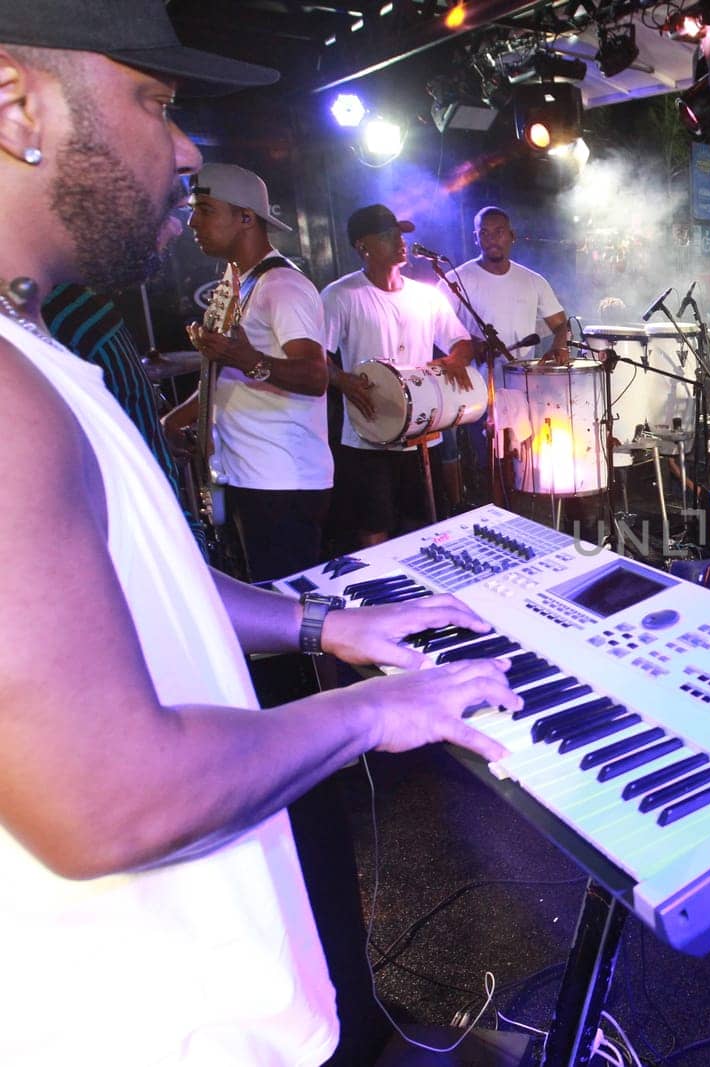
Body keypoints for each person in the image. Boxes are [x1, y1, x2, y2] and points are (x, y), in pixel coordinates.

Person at [0, 11, 518, 1065]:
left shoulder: (28, 350)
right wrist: (378, 710)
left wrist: (326, 625)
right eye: (154, 100)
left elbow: (144, 579)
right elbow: (113, 796)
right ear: (18, 106)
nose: (186, 151)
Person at [166, 162, 332, 581]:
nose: (191, 222)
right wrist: (176, 420)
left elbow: (315, 376)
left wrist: (245, 358)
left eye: (204, 210)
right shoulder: (238, 281)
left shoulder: (283, 287)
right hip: (248, 475)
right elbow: (227, 382)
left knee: (290, 610)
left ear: (245, 218)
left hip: (282, 481)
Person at [324, 203, 476, 547]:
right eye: (388, 236)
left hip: (422, 432)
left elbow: (462, 341)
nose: (400, 242)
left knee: (425, 523)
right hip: (369, 433)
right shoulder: (340, 296)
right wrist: (344, 381)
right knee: (373, 525)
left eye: (401, 235)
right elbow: (317, 359)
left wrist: (454, 360)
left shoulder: (426, 295)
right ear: (363, 245)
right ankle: (381, 594)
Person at [43, 282, 208, 552]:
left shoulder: (77, 312)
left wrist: (157, 438)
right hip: (147, 541)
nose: (177, 236)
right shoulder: (77, 318)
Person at [437, 205, 571, 503]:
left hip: (523, 388)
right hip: (477, 389)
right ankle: (488, 513)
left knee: (525, 459)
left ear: (512, 236)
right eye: (484, 233)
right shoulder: (456, 280)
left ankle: (525, 515)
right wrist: (468, 344)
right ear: (476, 238)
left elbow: (561, 324)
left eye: (498, 232)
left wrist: (558, 346)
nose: (491, 239)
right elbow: (435, 327)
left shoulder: (532, 280)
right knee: (487, 462)